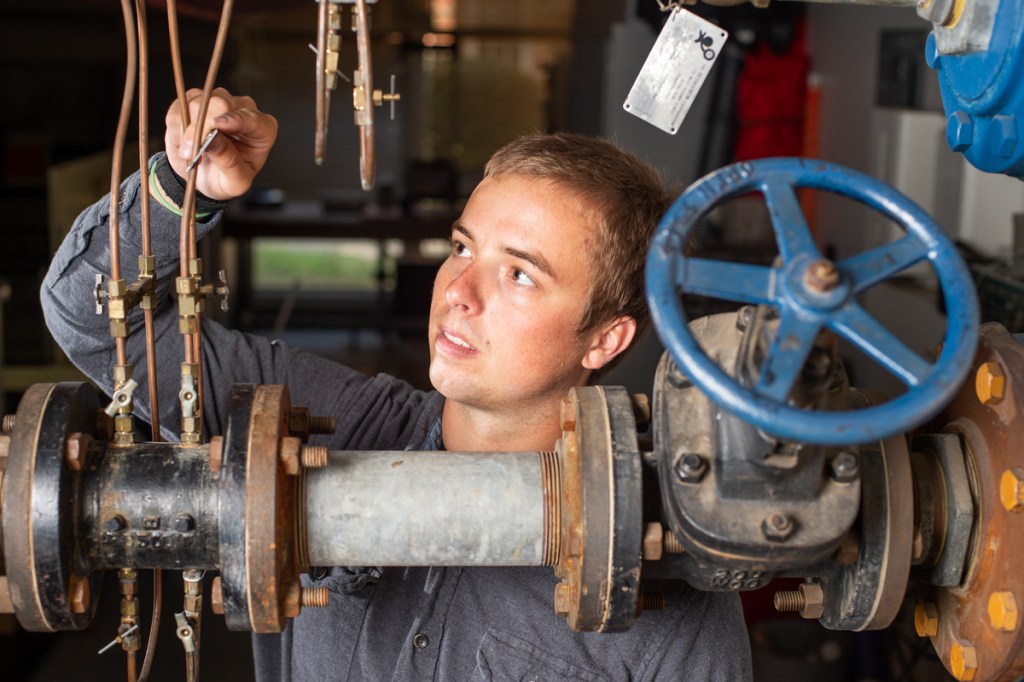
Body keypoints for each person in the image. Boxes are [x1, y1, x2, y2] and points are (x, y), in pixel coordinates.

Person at [42, 88, 752, 680]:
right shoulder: (335, 425)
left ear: (605, 339)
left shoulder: (666, 588)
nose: (458, 292)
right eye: (463, 247)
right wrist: (180, 189)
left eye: (519, 274)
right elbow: (92, 319)